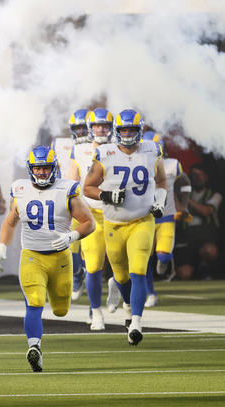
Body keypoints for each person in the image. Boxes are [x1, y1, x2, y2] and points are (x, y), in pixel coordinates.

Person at [0, 145, 95, 371]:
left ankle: (79, 272)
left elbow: (90, 223)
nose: (41, 173)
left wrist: (72, 236)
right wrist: (2, 246)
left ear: (54, 168)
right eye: (37, 169)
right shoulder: (20, 189)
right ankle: (34, 347)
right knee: (35, 301)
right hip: (32, 256)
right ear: (31, 169)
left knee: (61, 310)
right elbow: (11, 221)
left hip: (60, 258)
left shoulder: (67, 189)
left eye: (45, 168)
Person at [83, 109, 167, 346]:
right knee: (120, 276)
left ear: (140, 131)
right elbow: (87, 187)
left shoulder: (152, 150)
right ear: (117, 132)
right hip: (114, 224)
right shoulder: (106, 153)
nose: (128, 134)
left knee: (138, 270)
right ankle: (126, 301)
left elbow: (161, 181)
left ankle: (136, 322)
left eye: (132, 129)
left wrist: (159, 201)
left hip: (142, 220)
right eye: (124, 130)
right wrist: (107, 195)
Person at [67, 108, 115, 329]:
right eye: (97, 126)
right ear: (90, 128)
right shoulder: (79, 150)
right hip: (92, 213)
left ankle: (117, 286)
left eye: (105, 125)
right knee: (93, 265)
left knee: (121, 265)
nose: (101, 129)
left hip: (118, 213)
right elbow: (70, 181)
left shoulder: (121, 148)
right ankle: (95, 312)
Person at [141, 132, 191, 307]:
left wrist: (183, 206)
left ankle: (164, 263)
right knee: (144, 260)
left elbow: (185, 183)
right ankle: (151, 293)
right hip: (144, 218)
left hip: (166, 217)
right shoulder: (135, 165)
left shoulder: (172, 165)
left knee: (163, 257)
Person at [60, 108, 91, 305]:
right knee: (70, 247)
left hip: (97, 206)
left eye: (83, 128)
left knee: (92, 254)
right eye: (76, 128)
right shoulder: (63, 146)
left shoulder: (105, 147)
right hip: (75, 204)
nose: (80, 132)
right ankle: (78, 273)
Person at [175, 164, 222, 280]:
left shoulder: (215, 195)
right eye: (193, 175)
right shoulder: (183, 195)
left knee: (210, 250)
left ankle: (205, 270)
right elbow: (178, 215)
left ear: (206, 177)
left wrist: (187, 199)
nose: (196, 178)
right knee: (185, 273)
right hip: (187, 240)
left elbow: (206, 211)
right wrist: (176, 196)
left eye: (199, 175)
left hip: (205, 238)